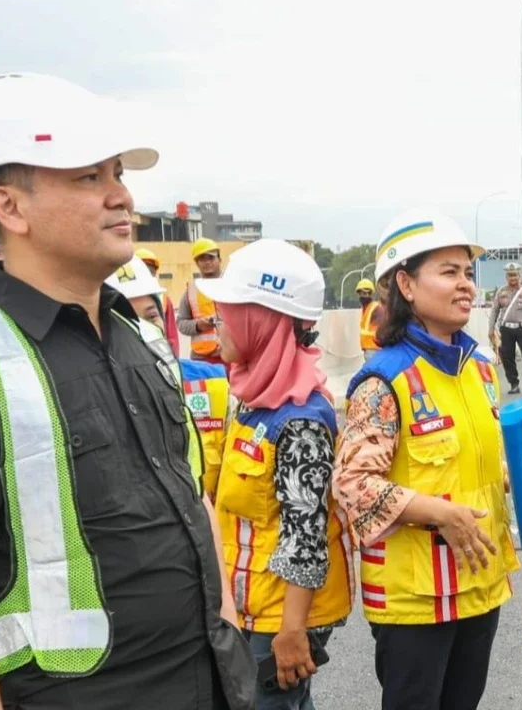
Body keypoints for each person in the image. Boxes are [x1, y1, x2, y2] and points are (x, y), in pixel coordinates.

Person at [0, 72, 254, 708]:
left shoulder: (138, 335)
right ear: (10, 208)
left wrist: (228, 617)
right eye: (89, 177)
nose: (121, 197)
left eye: (118, 174)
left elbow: (190, 490)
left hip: (208, 677)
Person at [333, 210, 519, 710]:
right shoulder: (383, 381)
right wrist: (440, 513)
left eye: (467, 273)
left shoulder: (480, 369)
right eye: (448, 272)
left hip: (479, 585)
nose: (465, 285)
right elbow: (353, 484)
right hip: (414, 601)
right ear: (406, 285)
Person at [199, 238, 354, 709]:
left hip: (277, 620)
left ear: (259, 321)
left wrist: (291, 633)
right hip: (247, 608)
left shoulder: (300, 420)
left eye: (226, 313)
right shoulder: (250, 395)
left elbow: (304, 540)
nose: (214, 323)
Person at [107, 255, 230, 501]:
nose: (143, 331)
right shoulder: (95, 403)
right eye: (125, 321)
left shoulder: (212, 382)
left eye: (151, 317)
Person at [489, 261, 522, 394]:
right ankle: (514, 384)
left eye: (515, 275)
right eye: (510, 275)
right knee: (507, 357)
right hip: (506, 329)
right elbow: (494, 311)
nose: (512, 278)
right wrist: (491, 328)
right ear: (506, 277)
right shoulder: (501, 292)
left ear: (519, 276)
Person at [180, 237, 225, 365]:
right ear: (197, 263)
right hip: (202, 359)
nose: (206, 262)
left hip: (231, 357)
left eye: (211, 258)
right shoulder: (191, 291)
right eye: (202, 259)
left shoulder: (231, 287)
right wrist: (198, 325)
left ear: (219, 259)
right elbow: (181, 324)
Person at [136, 246, 181, 356]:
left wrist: (174, 358)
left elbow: (172, 335)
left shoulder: (164, 298)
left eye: (150, 271)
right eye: (142, 270)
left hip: (160, 354)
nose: (146, 274)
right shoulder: (121, 297)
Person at [358, 277, 383, 360]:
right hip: (368, 348)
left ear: (371, 294)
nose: (365, 296)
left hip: (374, 348)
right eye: (363, 293)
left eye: (367, 293)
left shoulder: (375, 308)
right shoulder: (365, 309)